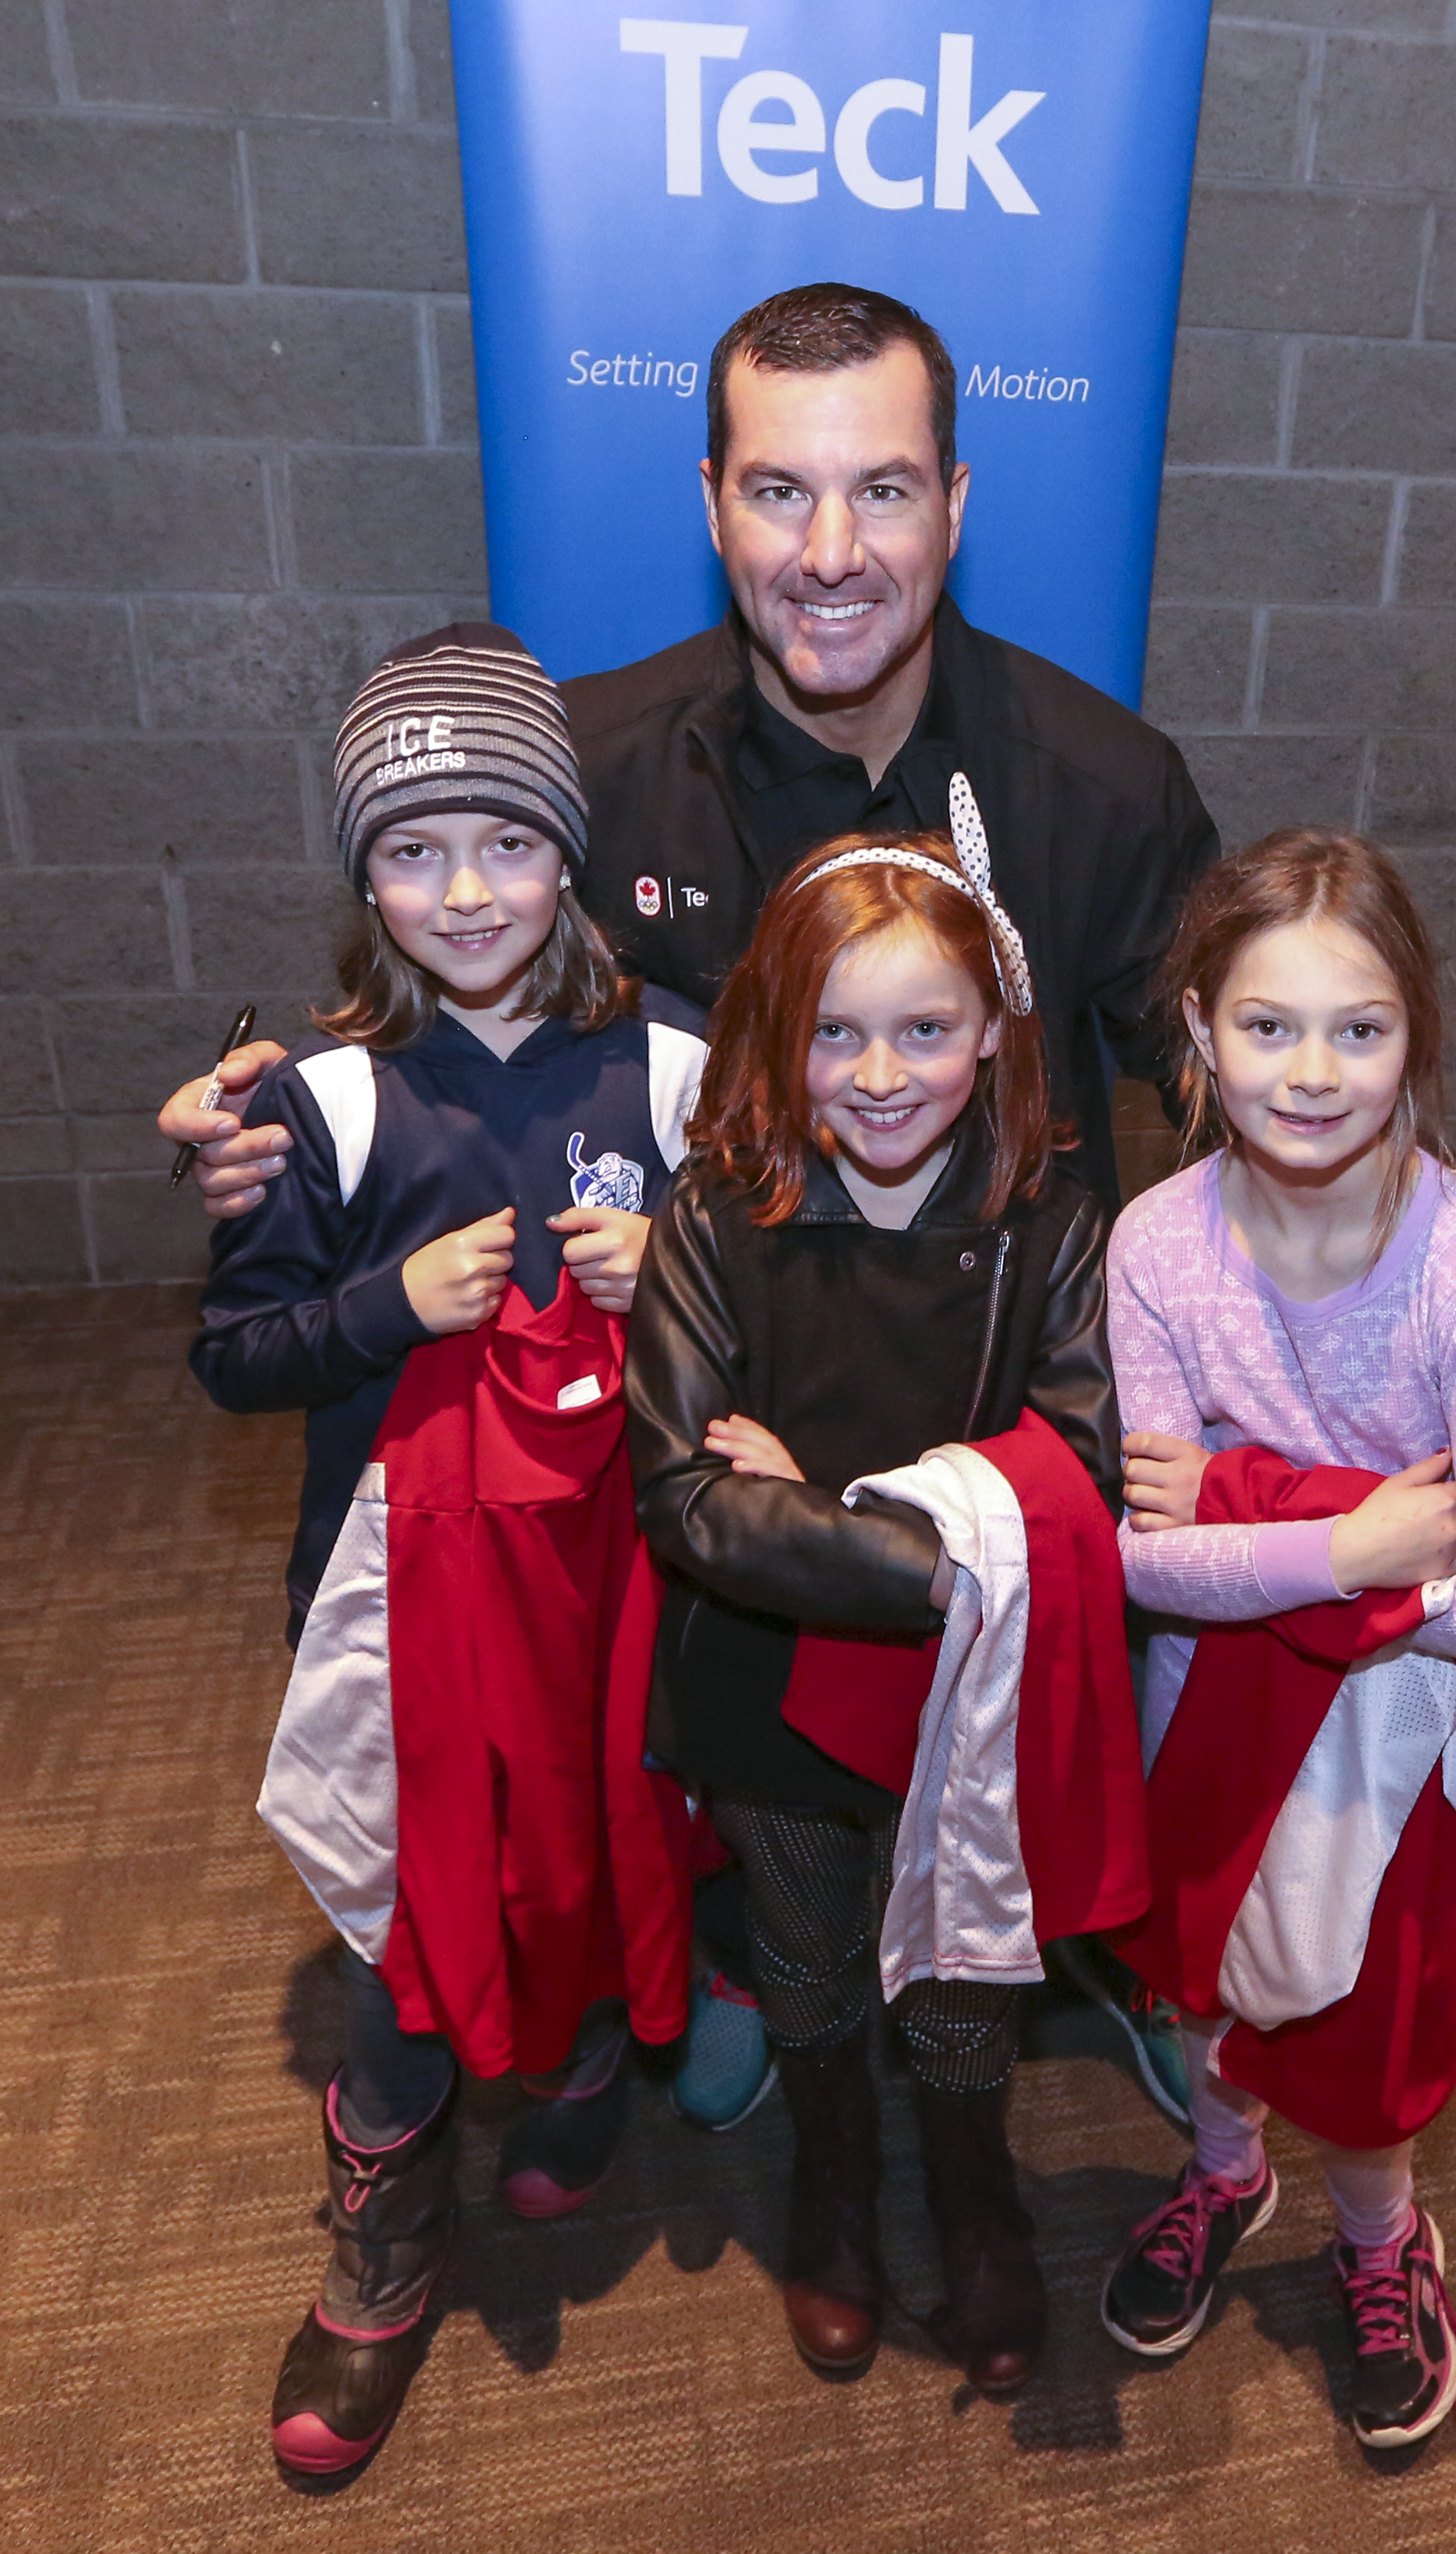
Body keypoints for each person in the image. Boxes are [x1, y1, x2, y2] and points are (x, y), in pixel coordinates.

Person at [158, 278, 1219, 2127]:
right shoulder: (599, 759)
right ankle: (735, 1943)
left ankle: (1057, 1946)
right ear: (711, 497)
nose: (831, 552)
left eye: (883, 492)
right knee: (739, 1798)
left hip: (986, 1417)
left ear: (958, 502)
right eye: (779, 493)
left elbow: (1236, 1081)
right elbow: (440, 1004)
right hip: (702, 1440)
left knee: (1021, 1819)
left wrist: (1385, 1255)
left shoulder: (1105, 779)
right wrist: (268, 1126)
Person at [189, 623, 703, 2477]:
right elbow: (232, 1357)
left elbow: (774, 1322)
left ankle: (573, 2065)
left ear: (570, 851)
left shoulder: (667, 1063)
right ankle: (386, 2241)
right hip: (391, 1592)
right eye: (413, 850)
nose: (466, 889)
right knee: (405, 1911)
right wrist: (386, 1306)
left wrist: (686, 1301)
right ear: (363, 875)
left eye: (507, 840)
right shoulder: (316, 1100)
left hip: (608, 1582)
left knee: (583, 1833)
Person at [621, 805, 1145, 2395]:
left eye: (926, 1025)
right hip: (769, 1693)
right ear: (780, 1032)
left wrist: (828, 1508)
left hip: (963, 1702)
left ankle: (975, 2183)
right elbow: (688, 1496)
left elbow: (1078, 1485)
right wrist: (946, 1532)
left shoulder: (1051, 1222)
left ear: (993, 1026)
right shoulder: (715, 1215)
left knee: (967, 1956)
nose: (880, 1069)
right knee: (807, 1944)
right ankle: (835, 2174)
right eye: (836, 1030)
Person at [1097, 829, 1456, 2450]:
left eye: (1358, 1028)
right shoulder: (1157, 1245)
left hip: (1394, 1738)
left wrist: (1235, 1507)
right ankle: (1223, 2171)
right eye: (1268, 1024)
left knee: (1363, 2035)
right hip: (1203, 1706)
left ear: (1415, 1041)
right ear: (1199, 1034)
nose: (1311, 1071)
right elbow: (1150, 1563)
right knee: (1208, 1984)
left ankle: (1381, 2237)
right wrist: (1355, 1536)